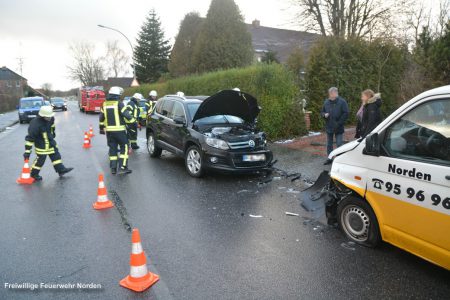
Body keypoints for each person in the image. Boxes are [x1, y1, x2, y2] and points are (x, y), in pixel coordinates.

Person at [23, 106, 73, 181]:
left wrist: (53, 133)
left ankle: (61, 170)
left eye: (50, 116)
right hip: (41, 146)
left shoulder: (51, 118)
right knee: (40, 161)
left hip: (51, 143)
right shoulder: (35, 124)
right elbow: (30, 138)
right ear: (42, 116)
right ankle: (33, 174)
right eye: (47, 117)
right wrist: (27, 152)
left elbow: (52, 126)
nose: (49, 118)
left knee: (56, 157)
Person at [99, 86, 134, 175]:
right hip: (120, 131)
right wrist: (134, 122)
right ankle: (122, 167)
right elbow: (127, 115)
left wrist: (101, 128)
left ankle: (113, 168)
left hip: (109, 132)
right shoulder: (119, 103)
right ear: (117, 95)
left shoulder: (104, 104)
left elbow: (101, 118)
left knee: (112, 148)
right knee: (124, 147)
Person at [321, 87, 349, 164]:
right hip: (329, 126)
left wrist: (339, 123)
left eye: (331, 93)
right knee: (329, 144)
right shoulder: (326, 102)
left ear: (335, 93)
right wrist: (324, 115)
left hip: (338, 127)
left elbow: (346, 113)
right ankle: (329, 158)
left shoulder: (342, 102)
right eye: (329, 93)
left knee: (339, 144)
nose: (329, 95)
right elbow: (322, 112)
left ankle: (340, 160)